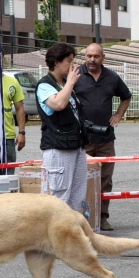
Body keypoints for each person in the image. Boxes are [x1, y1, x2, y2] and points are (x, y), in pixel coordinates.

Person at [74, 43, 131, 231]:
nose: (92, 59)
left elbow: (126, 96)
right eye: (89, 56)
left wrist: (118, 115)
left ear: (103, 57)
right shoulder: (75, 75)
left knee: (105, 180)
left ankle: (102, 217)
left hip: (106, 139)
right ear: (85, 57)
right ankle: (81, 218)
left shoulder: (112, 78)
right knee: (81, 179)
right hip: (83, 139)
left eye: (96, 56)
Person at [35, 42, 87, 213]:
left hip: (75, 145)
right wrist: (70, 83)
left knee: (77, 195)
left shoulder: (64, 84)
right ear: (56, 62)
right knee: (60, 195)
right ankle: (58, 237)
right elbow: (58, 104)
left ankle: (73, 235)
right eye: (69, 61)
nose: (73, 66)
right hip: (58, 148)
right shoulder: (44, 85)